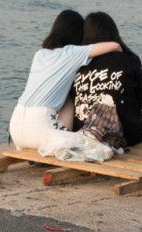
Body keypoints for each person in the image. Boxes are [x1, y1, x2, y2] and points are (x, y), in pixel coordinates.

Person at [9, 9, 122, 162]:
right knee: (72, 106)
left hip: (16, 129)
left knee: (66, 98)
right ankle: (58, 142)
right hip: (39, 128)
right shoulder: (71, 52)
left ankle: (49, 143)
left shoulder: (40, 54)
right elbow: (112, 45)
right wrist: (120, 52)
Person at [71, 11, 142, 149]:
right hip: (125, 135)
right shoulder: (129, 59)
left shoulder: (78, 63)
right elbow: (141, 101)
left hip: (84, 131)